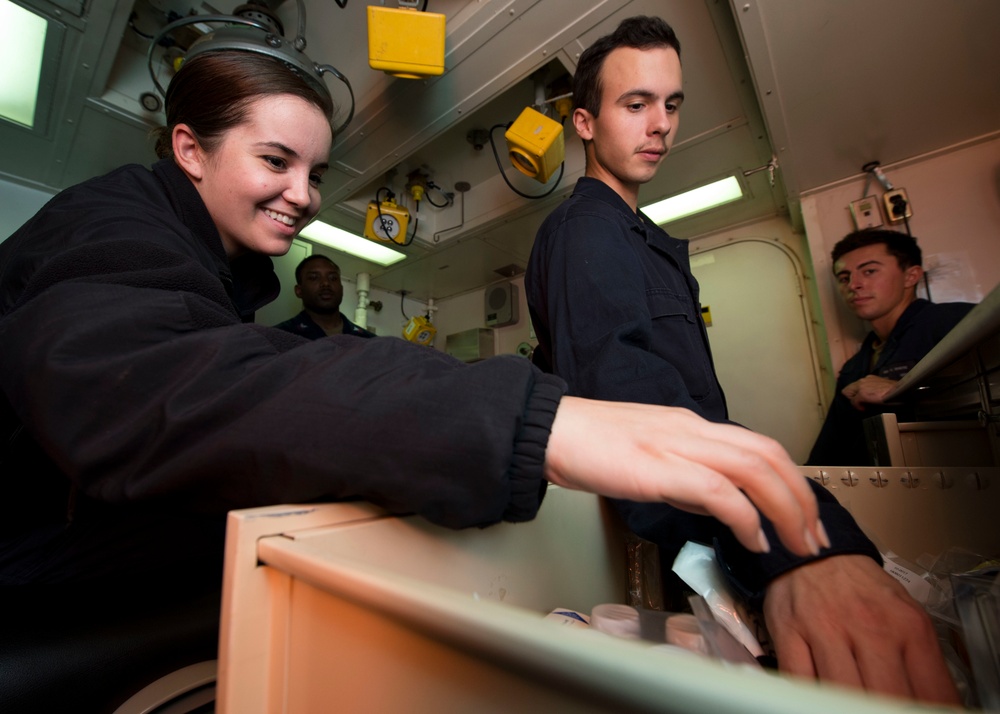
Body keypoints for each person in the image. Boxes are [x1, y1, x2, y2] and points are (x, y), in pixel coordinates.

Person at [0, 43, 827, 701]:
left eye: (316, 173)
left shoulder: (205, 267)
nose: (304, 195)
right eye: (276, 161)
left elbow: (266, 367)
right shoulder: (109, 223)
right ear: (189, 148)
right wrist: (535, 422)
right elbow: (152, 389)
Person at [524, 16, 958, 704]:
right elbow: (641, 412)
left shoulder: (641, 239)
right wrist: (787, 549)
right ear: (584, 122)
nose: (660, 123)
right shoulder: (586, 232)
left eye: (671, 104)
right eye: (635, 104)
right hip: (683, 537)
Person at [807, 229, 975, 465]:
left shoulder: (955, 323)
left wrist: (903, 391)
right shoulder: (853, 369)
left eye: (869, 271)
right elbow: (830, 452)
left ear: (911, 276)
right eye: (844, 278)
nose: (853, 285)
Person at [273, 254, 375, 339]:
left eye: (333, 278)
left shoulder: (368, 341)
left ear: (342, 289)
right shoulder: (278, 336)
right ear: (299, 291)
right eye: (314, 278)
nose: (326, 283)